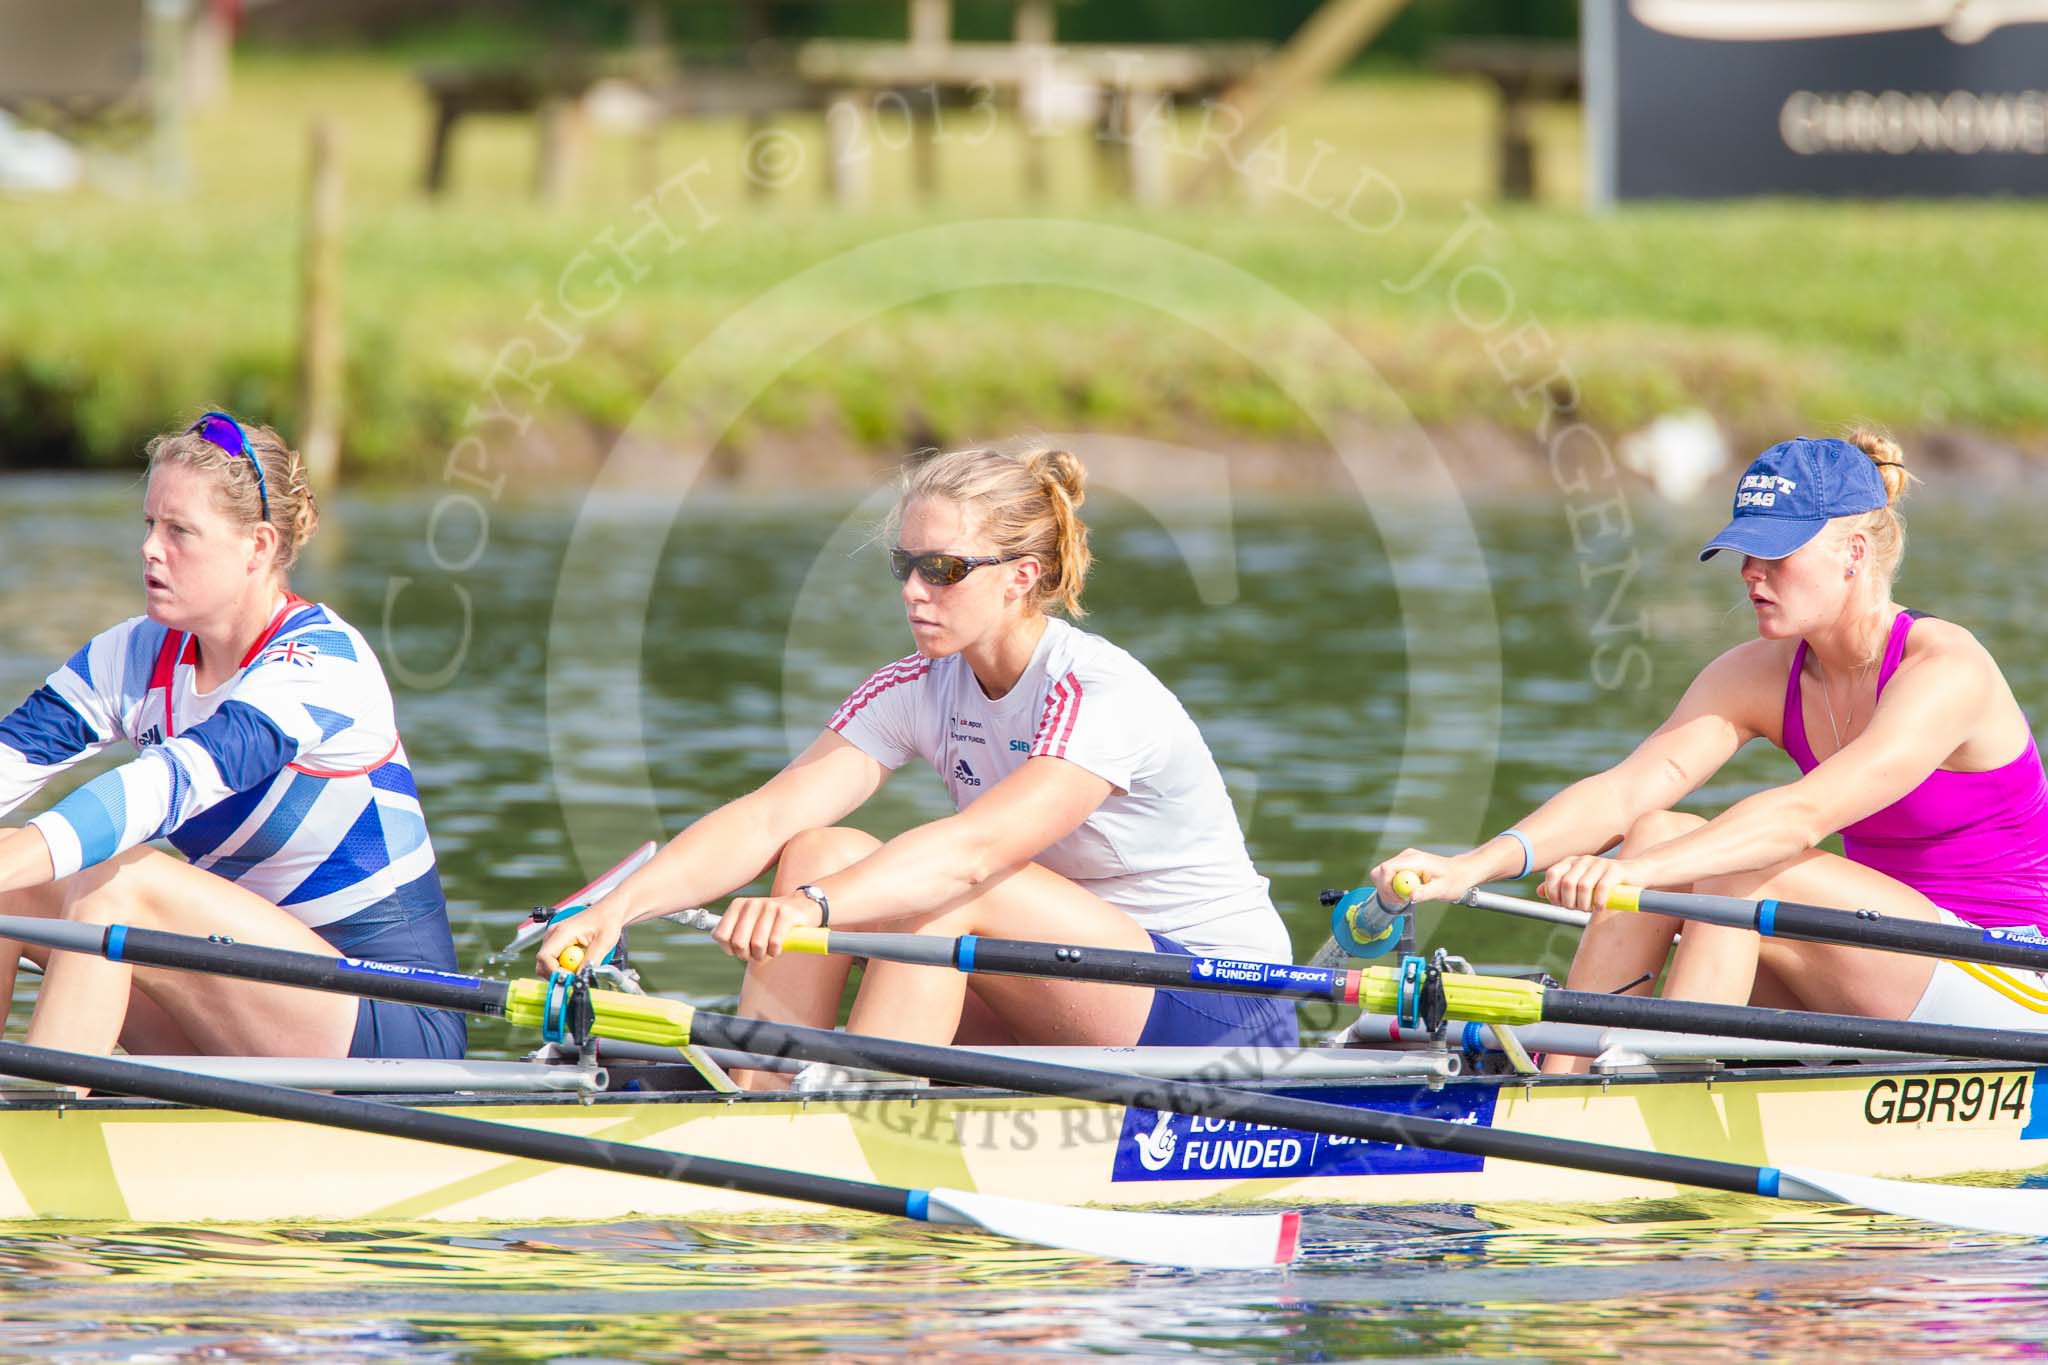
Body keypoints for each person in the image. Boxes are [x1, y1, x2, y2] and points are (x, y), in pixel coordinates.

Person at [539, 446, 1296, 1082]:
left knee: (942, 894)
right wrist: (621, 907)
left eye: (943, 569)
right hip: (1068, 993)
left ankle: (857, 1121)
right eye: (907, 563)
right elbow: (771, 813)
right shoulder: (917, 686)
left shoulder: (1098, 694)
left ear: (1021, 577)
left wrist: (812, 908)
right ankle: (759, 1094)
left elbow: (973, 856)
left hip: (1220, 1007)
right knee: (818, 848)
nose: (912, 590)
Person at [1369, 432, 2048, 1068]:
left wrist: (1638, 875)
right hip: (1883, 965)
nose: (1752, 573)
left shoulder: (1945, 668)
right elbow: (1626, 790)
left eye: (1777, 554)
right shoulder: (1762, 672)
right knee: (1657, 828)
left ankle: (1661, 1087)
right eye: (1746, 552)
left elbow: (1798, 819)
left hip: (2006, 979)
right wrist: (1471, 867)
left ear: (1855, 555)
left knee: (1742, 865)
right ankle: (1562, 1075)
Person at [0, 411, 464, 1060]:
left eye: (180, 531)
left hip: (393, 1023)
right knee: (13, 872)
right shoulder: (131, 657)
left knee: (116, 882)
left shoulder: (323, 666)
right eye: (150, 525)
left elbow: (165, 785)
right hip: (246, 995)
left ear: (259, 547)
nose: (150, 548)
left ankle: (29, 1143)